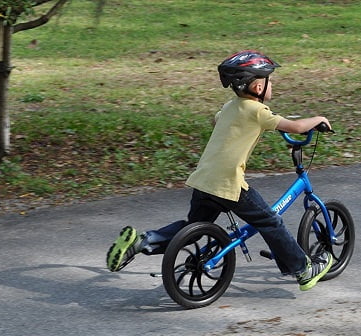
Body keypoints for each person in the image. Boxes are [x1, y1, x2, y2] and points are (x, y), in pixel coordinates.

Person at [106, 50, 333, 291]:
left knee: (191, 228)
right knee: (270, 222)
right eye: (270, 81)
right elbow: (297, 126)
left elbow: (217, 121)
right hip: (228, 184)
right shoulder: (258, 112)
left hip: (205, 180)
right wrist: (319, 119)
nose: (272, 85)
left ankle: (144, 241)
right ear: (258, 88)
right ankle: (304, 270)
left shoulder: (230, 106)